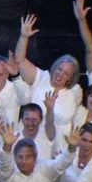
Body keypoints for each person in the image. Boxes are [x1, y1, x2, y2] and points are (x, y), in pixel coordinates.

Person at [14, 13, 82, 152]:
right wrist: (24, 37)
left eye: (66, 73)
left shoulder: (75, 91)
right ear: (54, 67)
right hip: (30, 142)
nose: (60, 74)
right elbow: (19, 60)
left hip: (59, 148)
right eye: (59, 69)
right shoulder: (41, 77)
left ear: (70, 77)